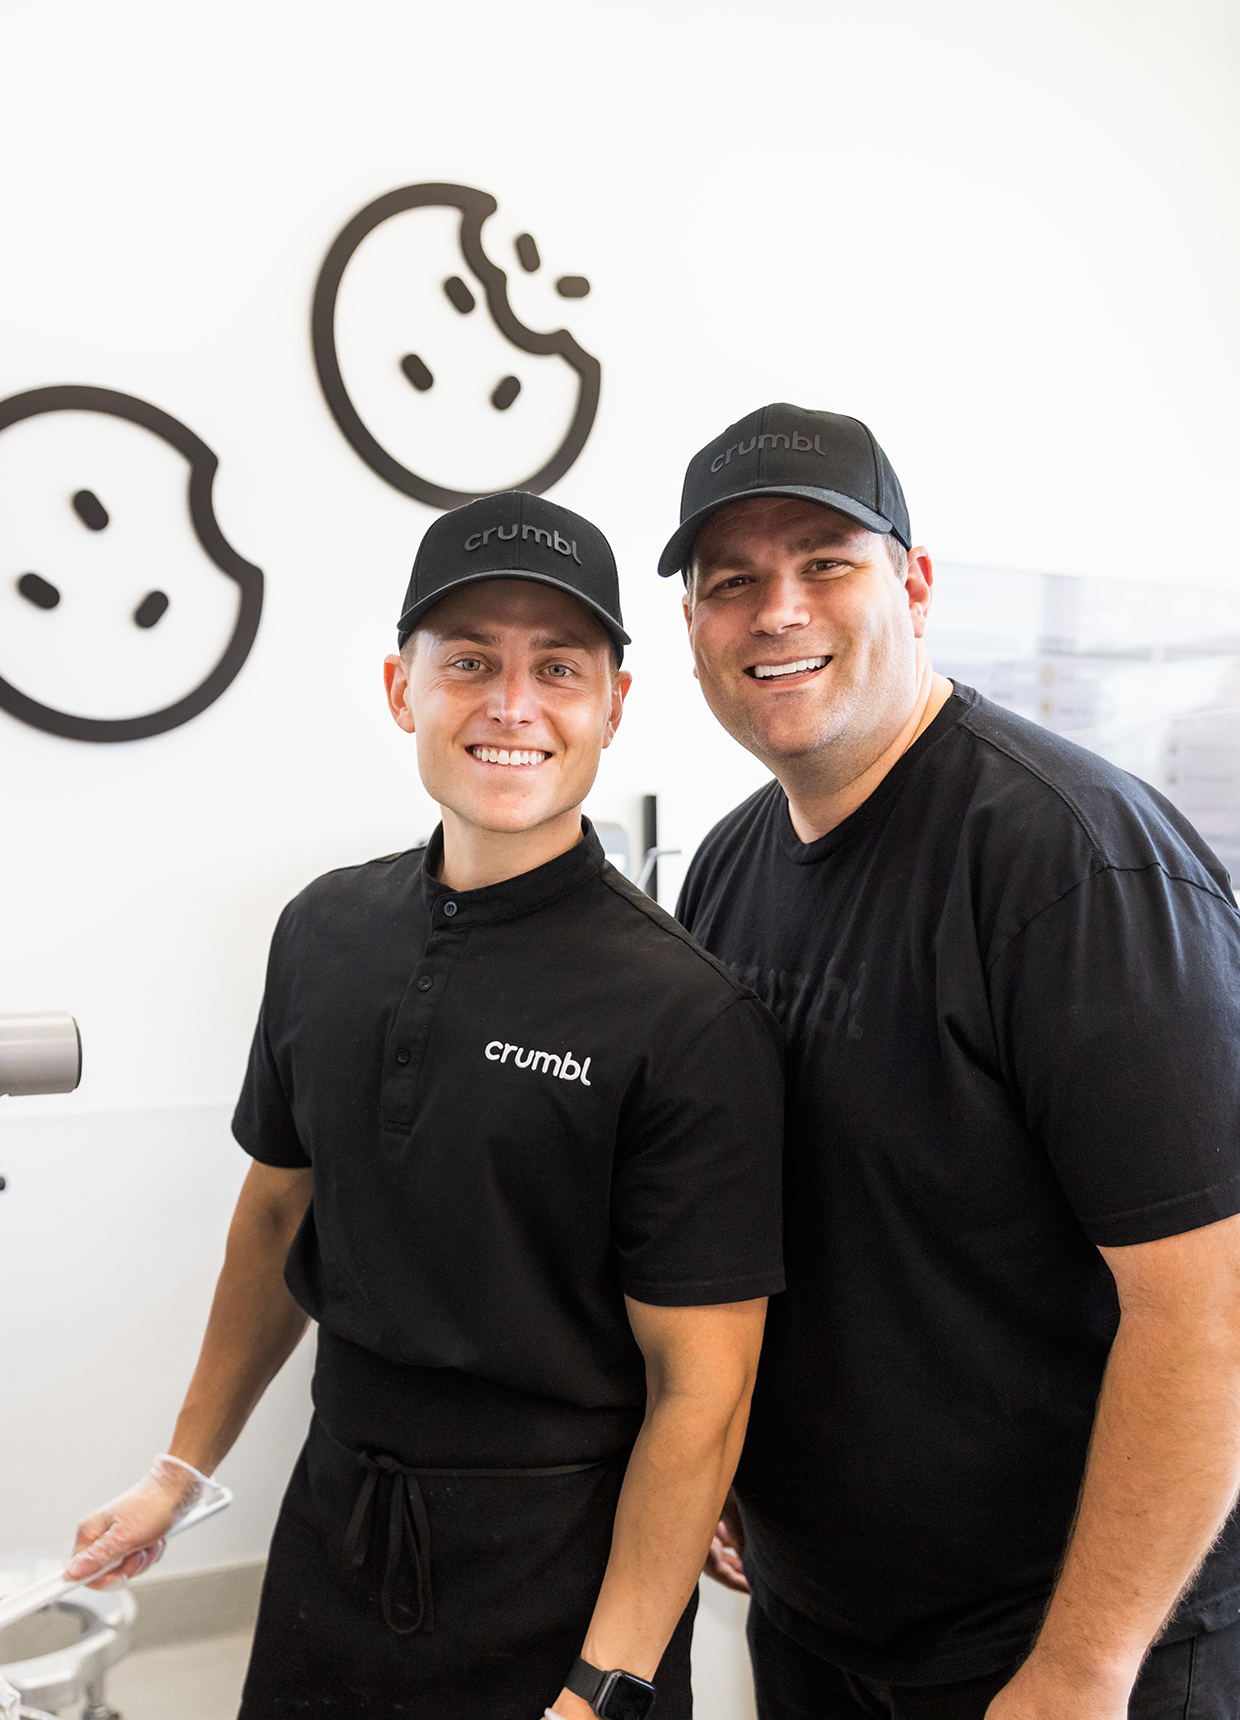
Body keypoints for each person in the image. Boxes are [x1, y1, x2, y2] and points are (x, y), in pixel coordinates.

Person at [67, 490, 786, 1719]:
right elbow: (275, 1216)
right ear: (403, 689)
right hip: (332, 1528)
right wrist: (179, 1469)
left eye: (557, 667)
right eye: (469, 661)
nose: (511, 704)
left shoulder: (686, 1013)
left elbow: (701, 1393)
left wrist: (604, 1684)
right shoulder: (323, 930)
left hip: (557, 1571)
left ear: (613, 705)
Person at [661, 401, 1240, 1720]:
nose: (776, 610)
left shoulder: (1076, 865)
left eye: (824, 562)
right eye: (731, 581)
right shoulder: (731, 865)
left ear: (915, 585)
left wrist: (1083, 1667)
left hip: (1064, 1645)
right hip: (823, 1621)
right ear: (693, 627)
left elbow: (1207, 1309)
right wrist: (723, 1460)